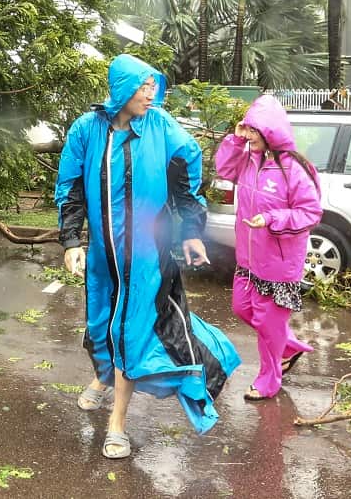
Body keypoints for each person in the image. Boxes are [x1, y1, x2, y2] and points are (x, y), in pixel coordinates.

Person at [54, 54, 240, 460]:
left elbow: (187, 176)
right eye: (143, 86)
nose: (151, 92)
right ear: (122, 88)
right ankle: (102, 379)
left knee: (131, 332)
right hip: (104, 259)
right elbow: (69, 187)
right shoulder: (87, 130)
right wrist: (71, 241)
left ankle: (116, 424)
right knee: (101, 326)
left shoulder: (161, 127)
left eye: (153, 85)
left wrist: (190, 233)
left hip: (147, 259)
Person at [214, 94, 321, 402]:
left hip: (278, 266)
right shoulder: (248, 160)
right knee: (241, 308)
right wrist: (235, 140)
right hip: (248, 260)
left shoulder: (295, 169)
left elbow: (310, 213)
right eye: (245, 129)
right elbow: (223, 169)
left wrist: (272, 218)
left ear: (270, 131)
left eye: (252, 130)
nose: (247, 136)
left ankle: (269, 380)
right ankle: (287, 345)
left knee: (269, 323)